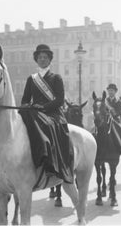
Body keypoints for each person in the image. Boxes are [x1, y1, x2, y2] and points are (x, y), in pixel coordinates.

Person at [19, 44, 74, 184]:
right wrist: (28, 106)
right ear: (36, 59)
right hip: (34, 112)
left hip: (52, 113)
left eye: (45, 57)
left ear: (50, 60)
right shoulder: (31, 79)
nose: (42, 59)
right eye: (40, 57)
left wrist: (43, 107)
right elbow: (25, 99)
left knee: (48, 125)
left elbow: (60, 100)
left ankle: (50, 162)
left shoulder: (56, 78)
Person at [104, 83, 121, 156]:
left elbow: (118, 112)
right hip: (105, 120)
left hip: (115, 120)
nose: (110, 92)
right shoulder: (105, 100)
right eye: (109, 90)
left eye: (112, 90)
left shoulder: (118, 101)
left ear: (115, 92)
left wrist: (113, 114)